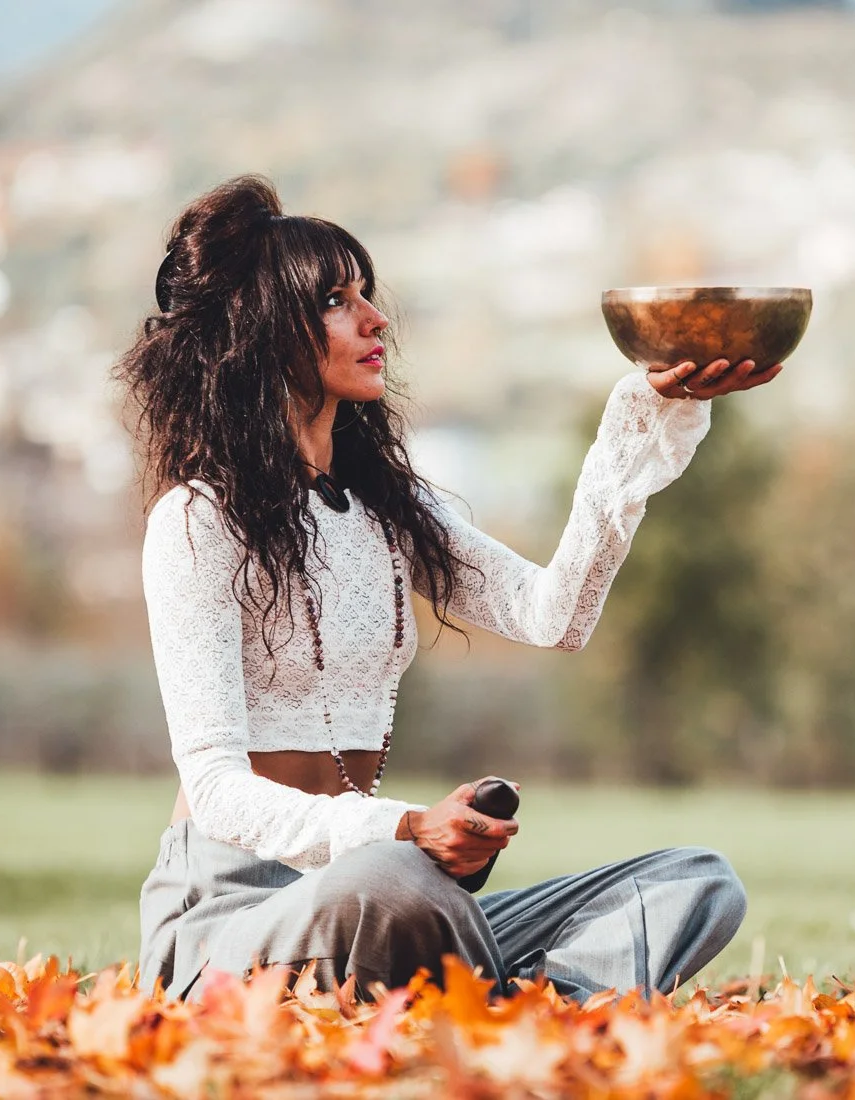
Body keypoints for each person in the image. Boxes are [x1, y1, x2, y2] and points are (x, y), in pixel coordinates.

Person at [114, 174, 783, 1007]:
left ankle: (507, 998)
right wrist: (403, 827)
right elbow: (214, 788)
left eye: (365, 294)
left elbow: (554, 618)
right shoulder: (197, 521)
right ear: (261, 332)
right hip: (232, 920)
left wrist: (639, 421)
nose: (373, 319)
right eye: (335, 301)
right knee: (392, 880)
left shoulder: (389, 510)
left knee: (697, 882)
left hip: (392, 899)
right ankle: (531, 1003)